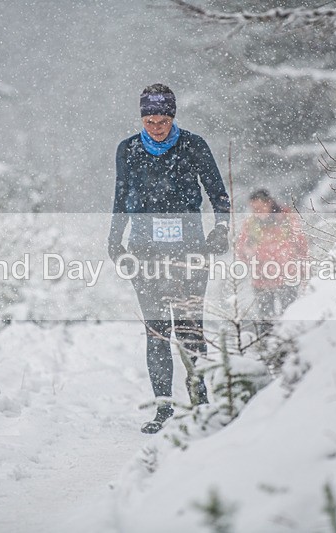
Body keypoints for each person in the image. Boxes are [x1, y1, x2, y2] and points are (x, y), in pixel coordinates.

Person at [108, 83, 230, 434]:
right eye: (149, 120)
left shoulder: (193, 145)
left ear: (172, 117)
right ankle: (163, 409)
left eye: (162, 120)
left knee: (190, 328)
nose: (156, 127)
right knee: (157, 331)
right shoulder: (128, 149)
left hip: (189, 248)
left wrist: (220, 229)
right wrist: (114, 240)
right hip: (145, 250)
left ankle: (200, 404)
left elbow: (217, 193)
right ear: (141, 118)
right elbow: (120, 196)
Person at [236, 189, 307, 322]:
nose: (256, 211)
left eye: (259, 207)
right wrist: (249, 254)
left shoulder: (287, 218)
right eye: (253, 208)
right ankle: (266, 342)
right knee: (266, 321)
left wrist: (303, 269)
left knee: (289, 318)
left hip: (288, 276)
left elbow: (301, 245)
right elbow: (241, 249)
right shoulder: (250, 224)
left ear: (269, 203)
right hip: (261, 279)